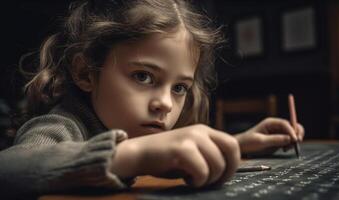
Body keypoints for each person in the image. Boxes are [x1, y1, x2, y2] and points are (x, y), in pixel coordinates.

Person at [0, 0, 304, 198]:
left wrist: (238, 144)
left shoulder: (135, 124)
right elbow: (9, 168)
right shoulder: (61, 125)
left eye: (179, 88)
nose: (165, 104)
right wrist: (135, 155)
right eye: (143, 77)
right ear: (86, 73)